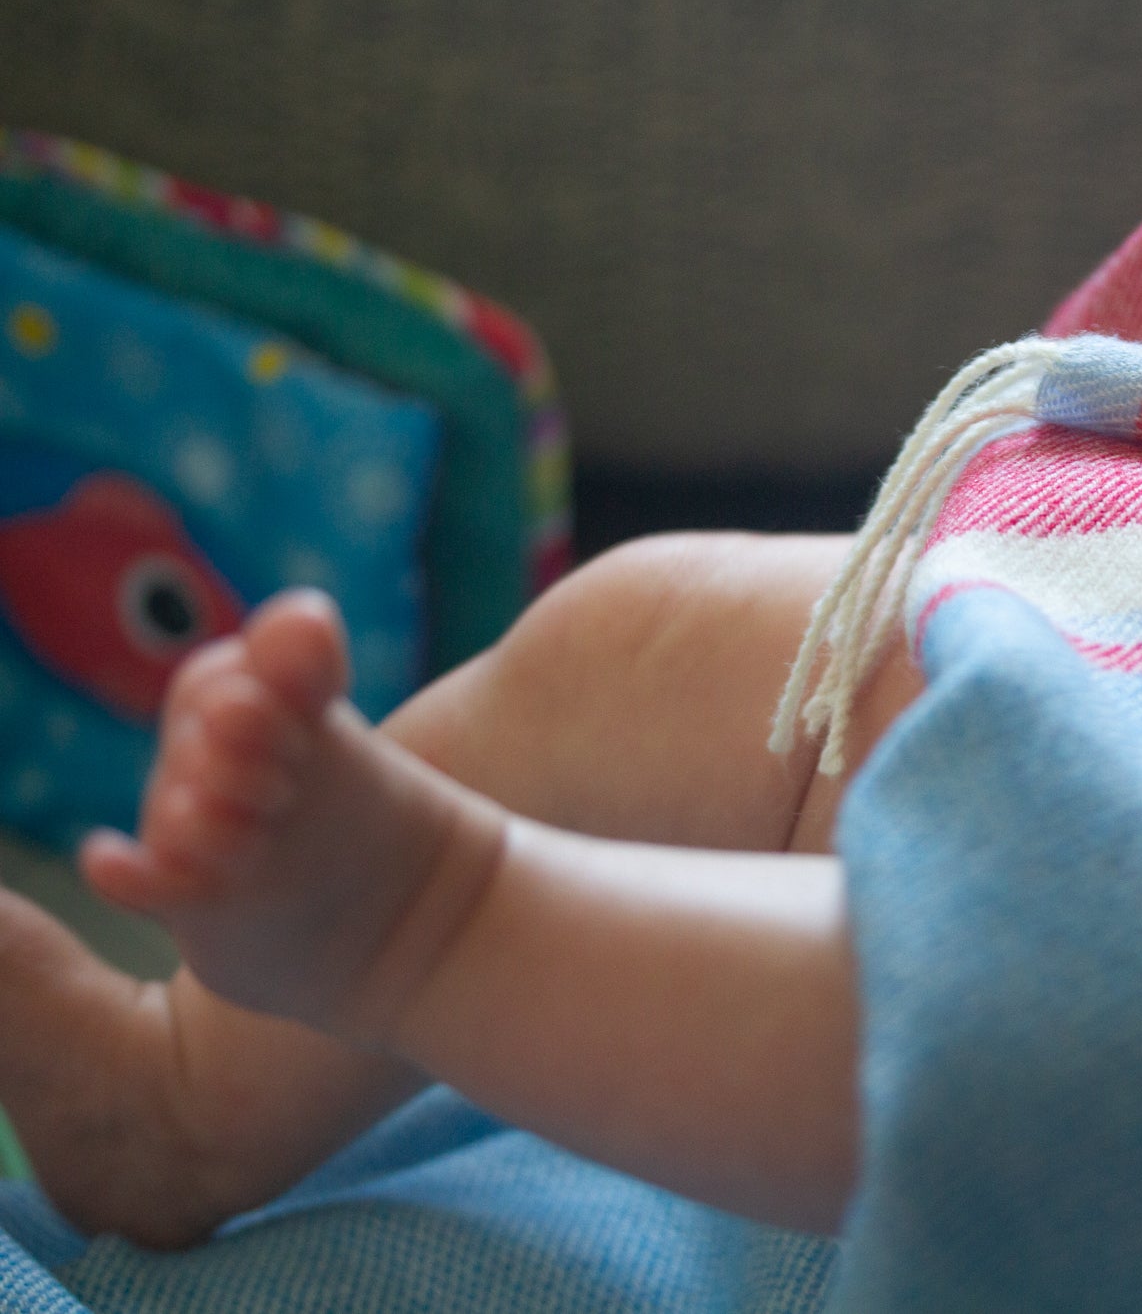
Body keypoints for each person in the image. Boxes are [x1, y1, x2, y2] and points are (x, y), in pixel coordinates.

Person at [0, 532, 921, 1247]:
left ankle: (423, 920)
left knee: (965, 983)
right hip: (1024, 590)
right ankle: (182, 1083)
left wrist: (428, 907)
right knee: (635, 637)